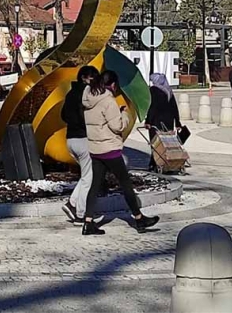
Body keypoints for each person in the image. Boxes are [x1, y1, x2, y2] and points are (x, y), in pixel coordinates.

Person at [82, 69, 160, 236]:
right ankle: (139, 219)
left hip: (95, 148)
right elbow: (117, 126)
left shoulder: (88, 98)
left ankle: (88, 222)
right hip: (109, 149)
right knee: (125, 184)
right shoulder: (108, 101)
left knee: (95, 185)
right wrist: (124, 114)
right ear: (113, 84)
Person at [60, 65, 98, 225]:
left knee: (86, 176)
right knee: (89, 178)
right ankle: (80, 214)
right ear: (84, 78)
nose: (95, 81)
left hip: (71, 140)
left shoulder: (70, 93)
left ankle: (72, 203)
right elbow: (86, 116)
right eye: (93, 78)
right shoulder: (86, 93)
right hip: (83, 139)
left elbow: (63, 115)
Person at [144, 73, 182, 171]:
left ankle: (155, 162)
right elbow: (174, 107)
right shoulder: (168, 90)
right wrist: (177, 123)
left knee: (155, 143)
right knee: (167, 143)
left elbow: (152, 107)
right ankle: (167, 161)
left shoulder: (154, 90)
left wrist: (148, 121)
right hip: (168, 122)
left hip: (156, 121)